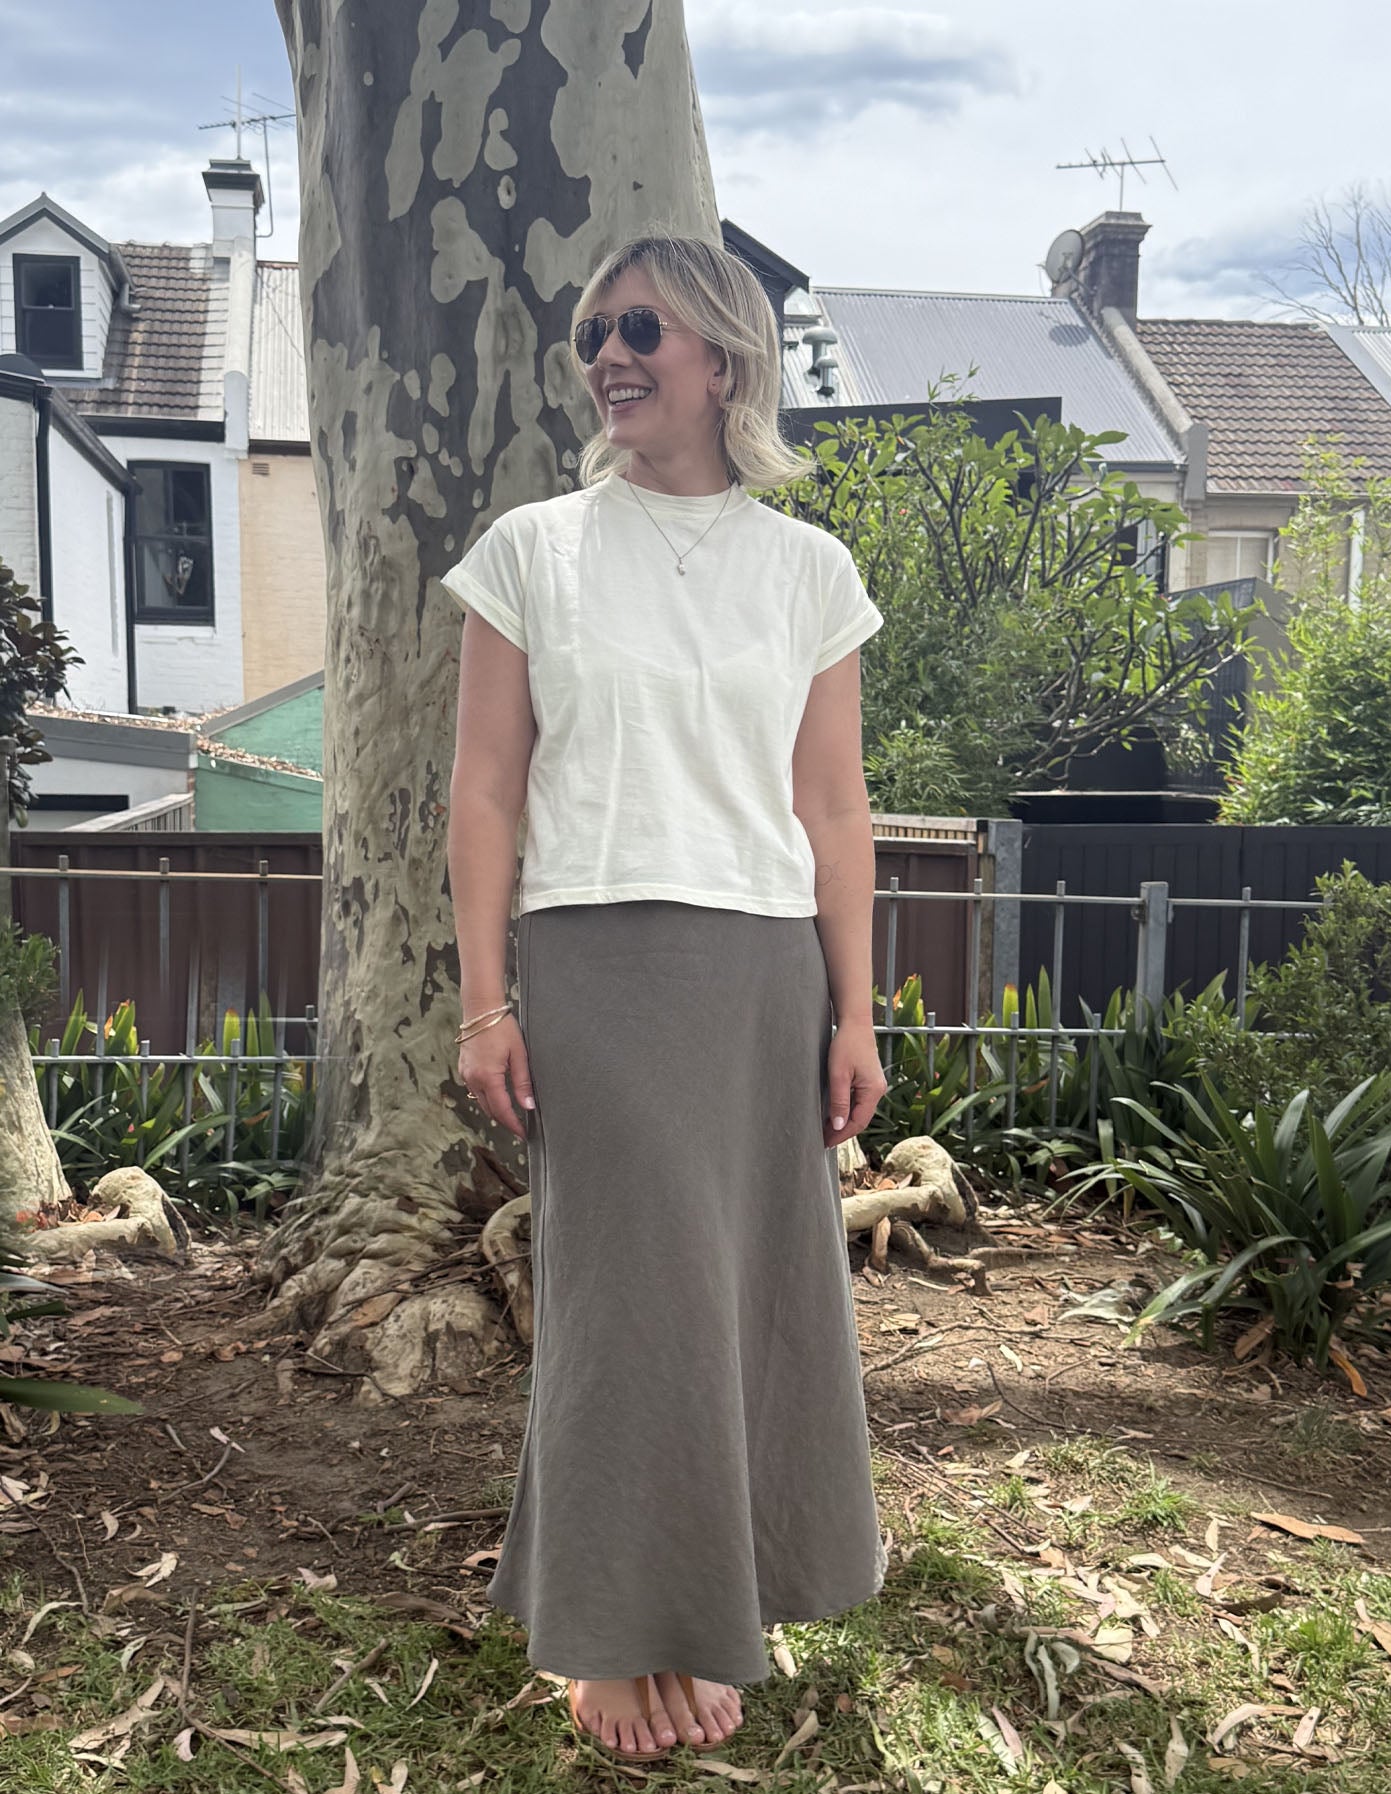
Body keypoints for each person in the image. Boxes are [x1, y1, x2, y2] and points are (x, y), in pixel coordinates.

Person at [441, 232, 889, 1765]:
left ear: (723, 354)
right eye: (592, 335)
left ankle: (717, 1603)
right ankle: (616, 1629)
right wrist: (485, 1002)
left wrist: (856, 1013)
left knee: (752, 1291)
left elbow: (833, 808)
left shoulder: (809, 571)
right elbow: (484, 793)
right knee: (631, 1300)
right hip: (597, 964)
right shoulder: (532, 550)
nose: (610, 357)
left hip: (762, 970)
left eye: (639, 327)